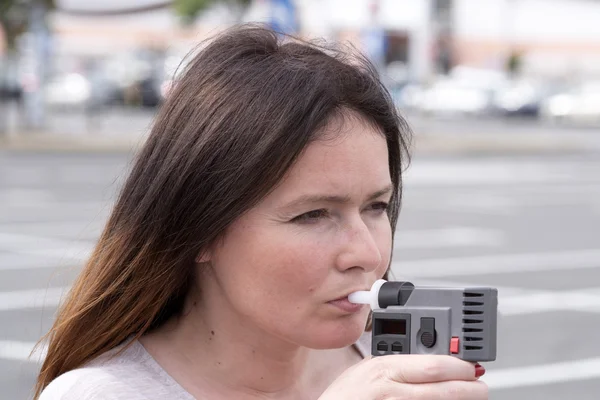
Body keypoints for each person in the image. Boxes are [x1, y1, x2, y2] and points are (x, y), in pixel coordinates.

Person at [35, 24, 487, 399]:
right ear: (200, 228)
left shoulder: (402, 374)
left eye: (376, 206)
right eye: (313, 215)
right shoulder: (103, 394)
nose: (367, 254)